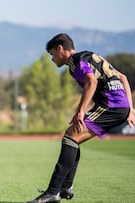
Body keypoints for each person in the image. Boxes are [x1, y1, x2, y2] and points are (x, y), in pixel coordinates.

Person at [27, 33, 135, 203]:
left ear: (60, 49)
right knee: (72, 137)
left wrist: (80, 111)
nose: (52, 59)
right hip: (119, 106)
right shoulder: (90, 56)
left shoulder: (76, 62)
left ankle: (53, 192)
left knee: (71, 137)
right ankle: (65, 188)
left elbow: (91, 82)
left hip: (111, 106)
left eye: (52, 54)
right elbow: (123, 78)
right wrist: (131, 108)